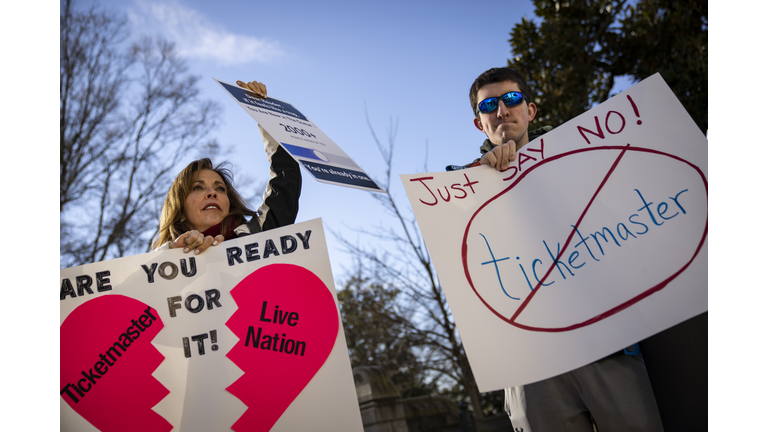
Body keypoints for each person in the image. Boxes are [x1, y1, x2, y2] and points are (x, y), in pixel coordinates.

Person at [450, 67, 664, 432]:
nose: (502, 110)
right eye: (489, 105)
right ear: (479, 123)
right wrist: (481, 183)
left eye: (512, 99)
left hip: (606, 344)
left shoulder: (586, 157)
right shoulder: (456, 189)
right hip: (529, 364)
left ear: (530, 110)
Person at [152, 80, 301, 254]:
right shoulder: (162, 260)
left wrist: (264, 112)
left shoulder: (259, 235)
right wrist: (170, 254)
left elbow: (286, 177)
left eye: (220, 189)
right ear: (180, 210)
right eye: (197, 187)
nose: (212, 193)